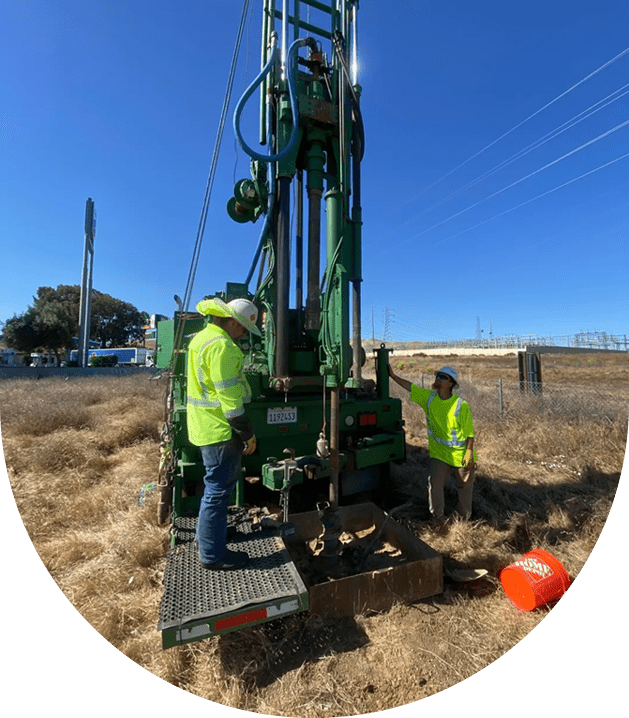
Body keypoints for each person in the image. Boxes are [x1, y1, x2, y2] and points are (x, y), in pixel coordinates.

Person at [186, 297, 261, 570]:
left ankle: (209, 537)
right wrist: (247, 434)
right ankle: (212, 555)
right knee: (218, 492)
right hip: (220, 429)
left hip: (204, 425)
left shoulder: (200, 339)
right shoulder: (222, 347)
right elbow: (230, 401)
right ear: (230, 322)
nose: (243, 336)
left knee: (213, 489)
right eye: (242, 329)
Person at [388, 365, 477, 521]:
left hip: (461, 454)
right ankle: (439, 518)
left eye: (443, 377)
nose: (438, 378)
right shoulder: (429, 398)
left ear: (451, 383)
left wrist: (469, 453)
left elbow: (469, 433)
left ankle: (463, 520)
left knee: (464, 488)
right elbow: (411, 387)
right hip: (440, 454)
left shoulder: (460, 405)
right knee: (434, 484)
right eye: (438, 375)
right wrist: (393, 376)